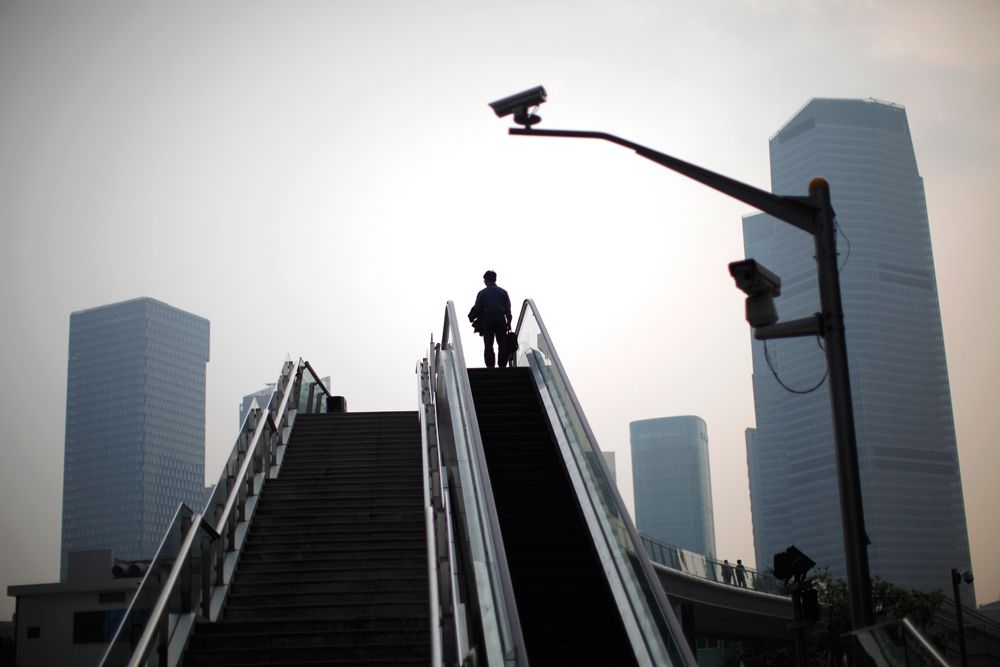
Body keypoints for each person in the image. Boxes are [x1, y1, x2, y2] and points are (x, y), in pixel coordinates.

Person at [468, 270, 512, 368]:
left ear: (486, 280)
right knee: (502, 344)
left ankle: (490, 366)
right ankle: (502, 365)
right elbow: (508, 309)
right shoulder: (503, 292)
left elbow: (477, 307)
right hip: (501, 319)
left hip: (488, 319)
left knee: (488, 344)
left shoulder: (482, 293)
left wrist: (473, 317)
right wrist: (509, 322)